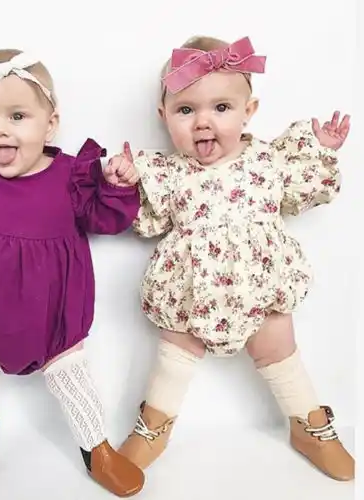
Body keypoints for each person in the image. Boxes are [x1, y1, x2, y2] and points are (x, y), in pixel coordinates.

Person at [0, 48, 145, 498]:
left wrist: (116, 185)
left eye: (17, 116)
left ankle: (96, 448)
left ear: (50, 123)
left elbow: (106, 219)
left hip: (51, 305)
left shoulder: (71, 175)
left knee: (70, 372)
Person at [115, 35, 354, 481]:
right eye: (186, 110)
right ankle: (154, 426)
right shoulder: (169, 171)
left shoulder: (269, 159)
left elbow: (305, 191)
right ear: (163, 116)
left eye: (221, 107)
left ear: (249, 111)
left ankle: (308, 425)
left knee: (279, 347)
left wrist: (321, 150)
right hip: (191, 287)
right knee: (176, 348)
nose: (203, 122)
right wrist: (123, 183)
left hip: (259, 284)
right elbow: (144, 220)